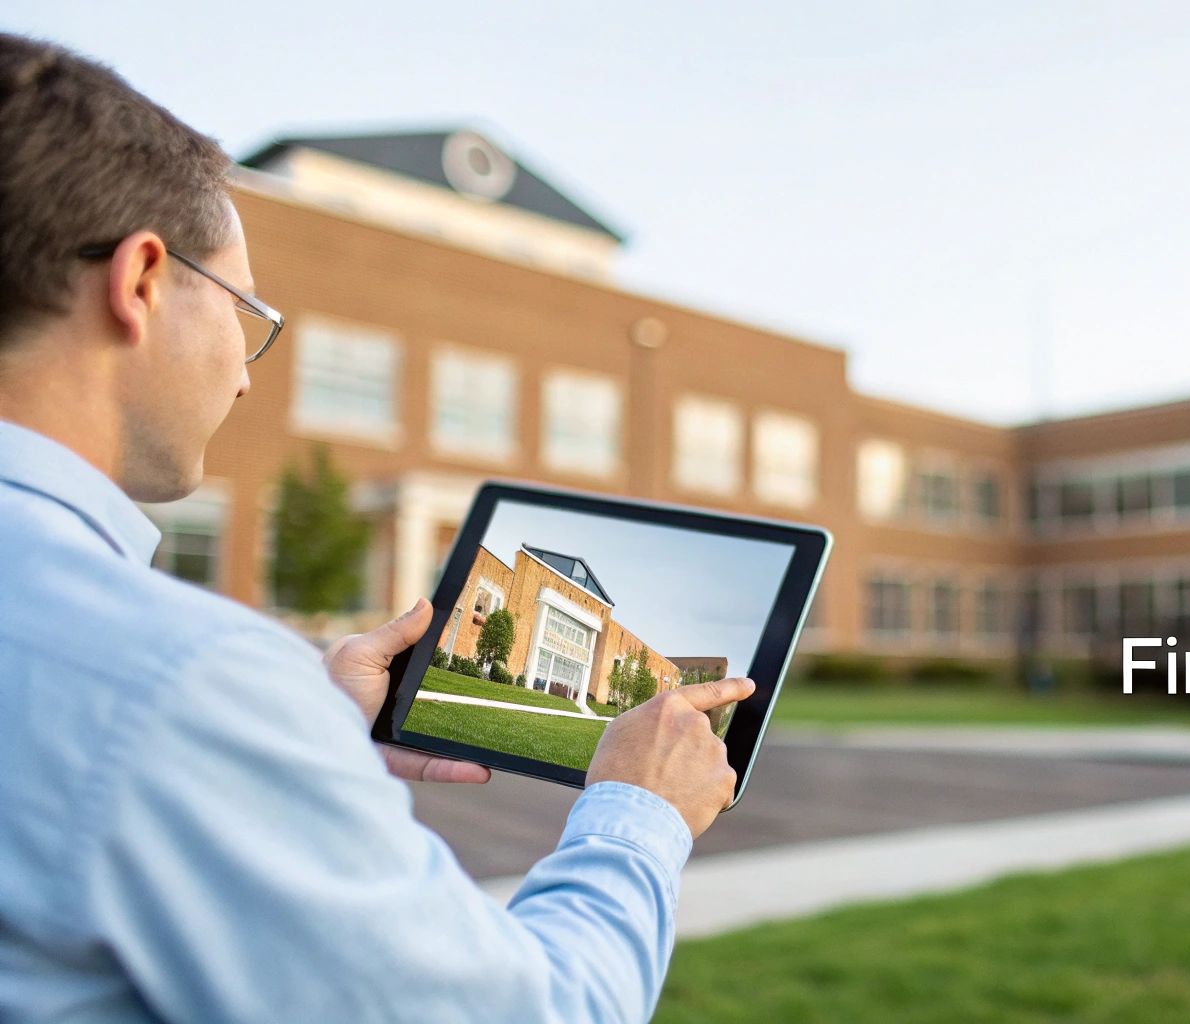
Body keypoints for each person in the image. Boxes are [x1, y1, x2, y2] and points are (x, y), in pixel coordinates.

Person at [0, 34, 750, 1022]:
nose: (245, 372)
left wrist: (299, 737)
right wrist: (640, 812)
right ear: (141, 280)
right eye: (245, 312)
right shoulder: (177, 680)